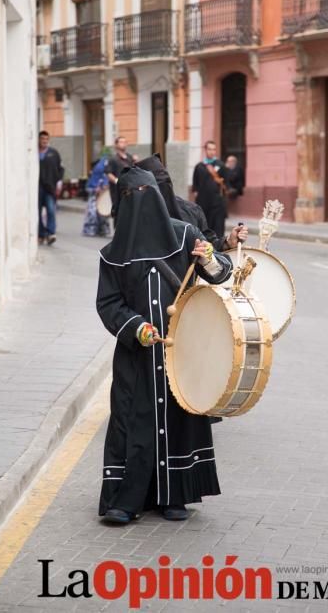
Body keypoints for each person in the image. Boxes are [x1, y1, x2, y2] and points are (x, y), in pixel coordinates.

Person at [96, 166, 232, 524]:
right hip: (136, 357)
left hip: (179, 353)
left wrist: (208, 258)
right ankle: (126, 500)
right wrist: (136, 327)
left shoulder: (185, 236)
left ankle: (175, 496)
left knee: (179, 420)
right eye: (132, 197)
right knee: (132, 420)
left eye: (148, 195)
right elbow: (109, 303)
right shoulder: (112, 254)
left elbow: (221, 273)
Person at [137, 153, 248, 250]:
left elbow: (210, 246)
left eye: (164, 184)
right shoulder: (133, 218)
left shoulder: (191, 211)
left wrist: (228, 242)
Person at [192, 140, 229, 239]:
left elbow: (226, 184)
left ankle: (218, 249)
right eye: (209, 149)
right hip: (203, 203)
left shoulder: (221, 165)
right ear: (205, 150)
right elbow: (195, 185)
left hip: (217, 203)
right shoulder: (199, 166)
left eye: (214, 149)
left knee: (218, 228)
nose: (212, 151)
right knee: (204, 227)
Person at [38, 130, 64, 245]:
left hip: (50, 187)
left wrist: (59, 183)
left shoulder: (53, 153)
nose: (44, 141)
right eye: (42, 139)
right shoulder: (35, 153)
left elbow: (60, 168)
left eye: (46, 139)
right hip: (37, 187)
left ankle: (51, 233)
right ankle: (41, 233)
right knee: (37, 212)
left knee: (50, 210)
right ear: (39, 140)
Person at [105, 136, 135, 226]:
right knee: (118, 209)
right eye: (121, 142)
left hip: (129, 188)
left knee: (129, 210)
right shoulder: (113, 159)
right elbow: (108, 173)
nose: (123, 144)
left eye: (125, 142)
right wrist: (116, 181)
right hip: (117, 189)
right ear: (116, 145)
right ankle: (117, 231)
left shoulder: (129, 157)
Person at [82, 157, 111, 237]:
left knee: (100, 212)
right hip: (95, 194)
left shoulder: (103, 169)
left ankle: (100, 230)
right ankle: (93, 229)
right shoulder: (99, 169)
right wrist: (96, 188)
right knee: (94, 212)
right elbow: (91, 184)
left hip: (102, 194)